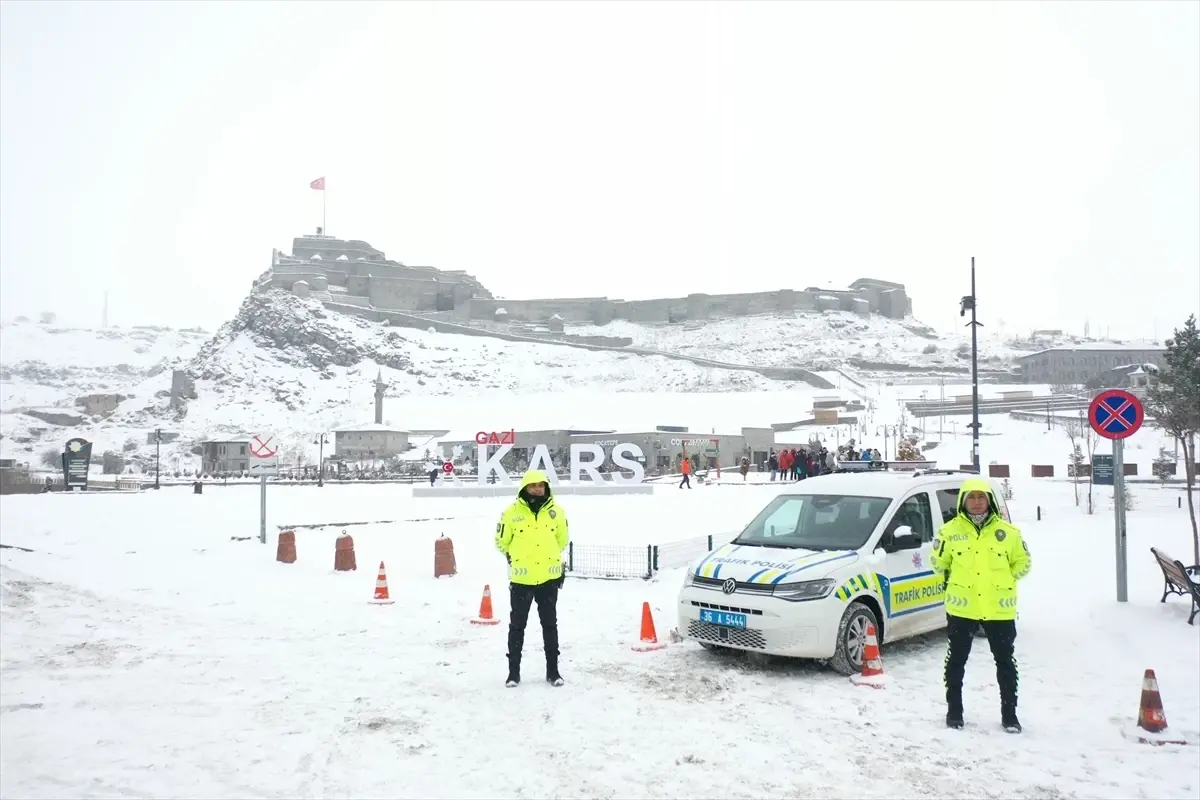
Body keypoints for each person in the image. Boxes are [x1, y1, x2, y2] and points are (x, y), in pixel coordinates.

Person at [932, 477, 1032, 733]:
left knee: (1005, 663)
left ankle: (1010, 715)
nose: (976, 503)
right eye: (971, 497)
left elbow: (1023, 563)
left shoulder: (1009, 533)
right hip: (962, 608)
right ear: (963, 501)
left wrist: (1003, 579)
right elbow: (938, 563)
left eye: (981, 497)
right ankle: (954, 712)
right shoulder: (948, 532)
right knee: (956, 661)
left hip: (999, 609)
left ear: (990, 500)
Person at [494, 469, 569, 688]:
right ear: (525, 488)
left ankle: (553, 671)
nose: (537, 489)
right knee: (517, 626)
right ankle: (513, 673)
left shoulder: (557, 512)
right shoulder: (510, 513)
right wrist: (514, 556)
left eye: (541, 485)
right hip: (521, 579)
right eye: (533, 485)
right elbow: (501, 541)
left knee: (549, 625)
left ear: (546, 487)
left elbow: (562, 540)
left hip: (548, 579)